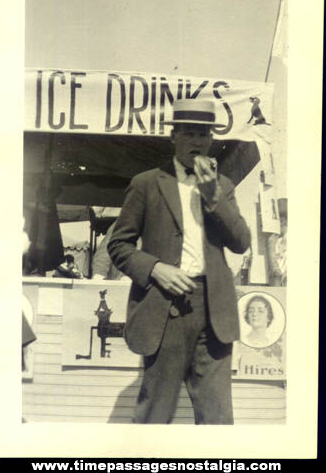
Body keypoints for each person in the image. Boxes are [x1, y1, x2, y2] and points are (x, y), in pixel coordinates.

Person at [108, 98, 251, 424]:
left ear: (212, 139)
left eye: (203, 135)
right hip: (165, 308)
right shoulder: (147, 183)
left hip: (215, 311)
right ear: (173, 136)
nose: (197, 142)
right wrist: (156, 268)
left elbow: (241, 243)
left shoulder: (222, 187)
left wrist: (212, 194)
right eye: (189, 134)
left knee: (217, 418)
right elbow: (119, 246)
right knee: (156, 412)